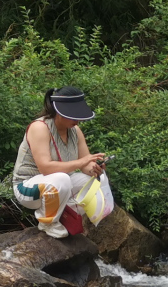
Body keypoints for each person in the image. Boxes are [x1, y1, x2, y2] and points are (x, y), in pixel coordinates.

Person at [11, 86, 114, 238]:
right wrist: (81, 162)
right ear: (59, 112)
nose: (78, 121)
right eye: (74, 116)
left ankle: (64, 216)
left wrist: (96, 168)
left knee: (92, 181)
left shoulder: (75, 131)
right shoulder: (40, 127)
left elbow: (86, 164)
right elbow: (46, 168)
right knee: (61, 179)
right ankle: (47, 222)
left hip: (57, 185)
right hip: (27, 188)